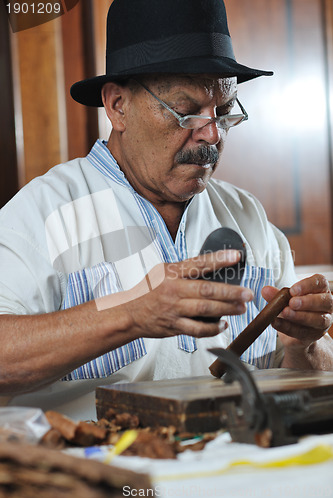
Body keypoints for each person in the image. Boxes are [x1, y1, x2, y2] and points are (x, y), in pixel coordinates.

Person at [1, 0, 332, 421]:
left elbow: (302, 377)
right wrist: (131, 315)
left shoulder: (247, 216)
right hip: (100, 478)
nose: (211, 134)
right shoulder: (43, 213)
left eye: (224, 110)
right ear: (118, 105)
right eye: (187, 111)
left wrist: (304, 347)